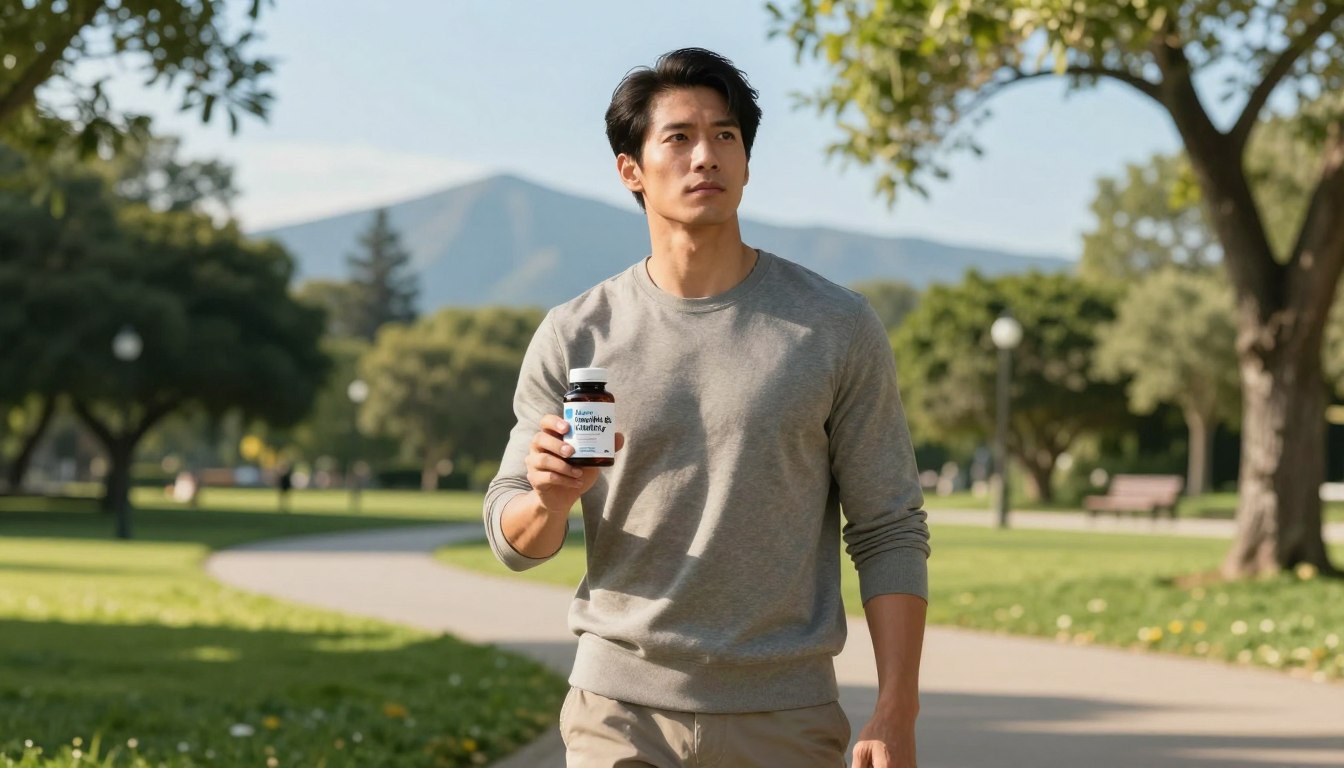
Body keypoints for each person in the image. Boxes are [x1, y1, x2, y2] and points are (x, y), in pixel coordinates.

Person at [484, 47, 929, 768]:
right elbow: (514, 539)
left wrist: (896, 707)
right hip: (619, 716)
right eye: (679, 138)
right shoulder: (576, 332)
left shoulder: (835, 326)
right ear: (631, 169)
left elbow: (889, 528)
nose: (706, 157)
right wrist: (548, 500)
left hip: (786, 716)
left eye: (726, 136)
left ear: (748, 163)